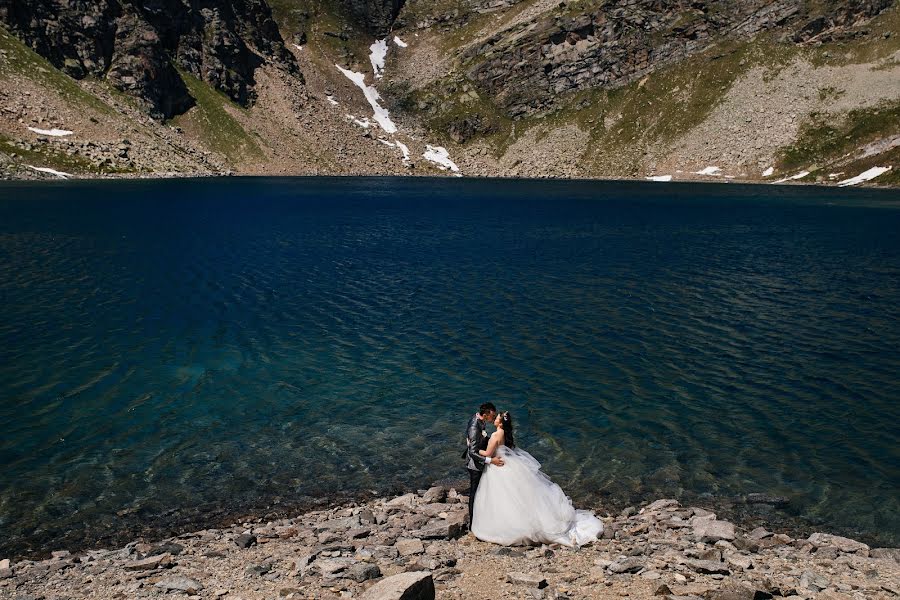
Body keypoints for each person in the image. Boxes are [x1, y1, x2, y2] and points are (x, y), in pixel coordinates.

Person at [471, 411, 603, 547]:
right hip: (508, 464)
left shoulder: (495, 435)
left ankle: (504, 527)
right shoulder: (506, 434)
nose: (494, 419)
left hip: (497, 467)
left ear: (500, 422)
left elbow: (487, 453)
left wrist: (474, 448)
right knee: (517, 496)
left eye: (497, 418)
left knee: (500, 497)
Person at [464, 402, 505, 528]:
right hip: (475, 466)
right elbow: (472, 453)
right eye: (492, 415)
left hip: (481, 459)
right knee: (474, 493)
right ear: (486, 414)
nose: (493, 418)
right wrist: (490, 460)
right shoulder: (474, 427)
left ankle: (481, 518)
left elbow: (475, 438)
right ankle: (472, 524)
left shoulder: (478, 419)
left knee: (482, 492)